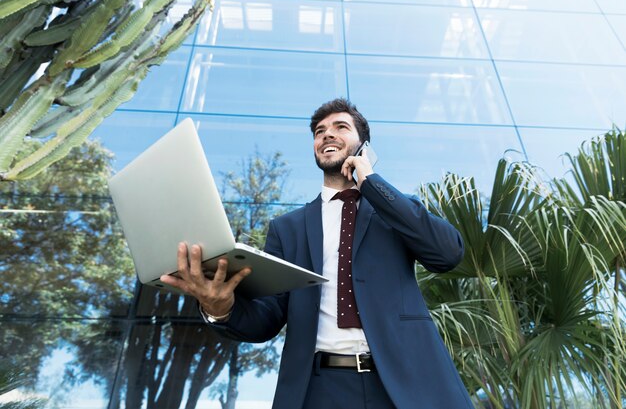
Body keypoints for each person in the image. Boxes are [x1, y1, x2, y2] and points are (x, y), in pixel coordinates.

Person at [161, 98, 475, 408]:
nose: (326, 134)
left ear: (364, 145)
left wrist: (372, 184)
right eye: (319, 131)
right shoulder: (288, 229)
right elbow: (267, 318)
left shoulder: (394, 210)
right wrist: (221, 307)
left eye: (341, 127)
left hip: (405, 384)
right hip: (319, 390)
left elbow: (446, 254)